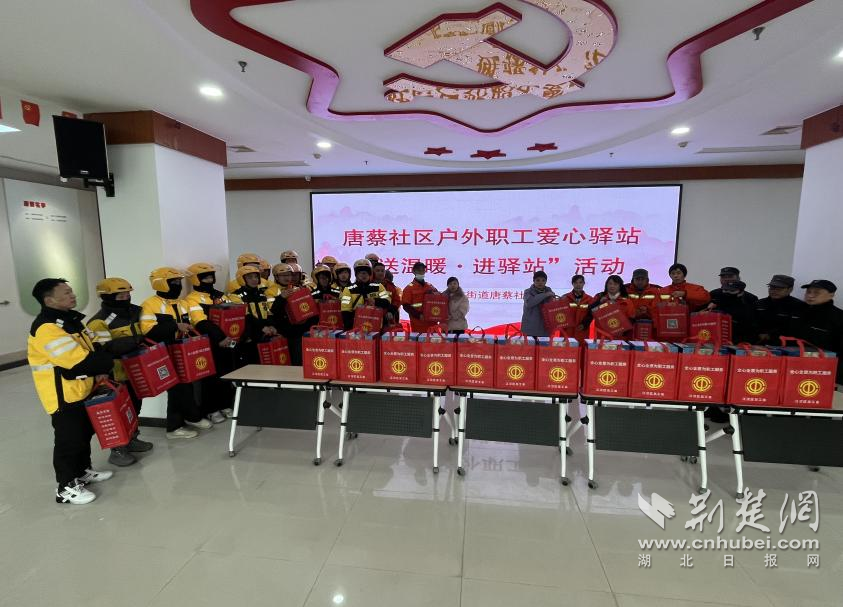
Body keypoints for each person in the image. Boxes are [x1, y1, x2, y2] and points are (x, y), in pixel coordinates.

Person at [28, 278, 116, 504]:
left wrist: (100, 365)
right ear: (49, 300)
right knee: (69, 440)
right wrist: (104, 364)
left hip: (82, 388)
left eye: (71, 291)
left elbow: (96, 346)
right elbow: (77, 362)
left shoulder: (72, 320)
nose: (72, 295)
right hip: (62, 395)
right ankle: (65, 487)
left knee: (84, 433)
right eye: (66, 293)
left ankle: (82, 471)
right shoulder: (47, 328)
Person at [87, 277, 154, 467]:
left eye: (127, 294)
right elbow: (109, 348)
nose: (126, 298)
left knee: (135, 407)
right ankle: (118, 450)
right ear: (107, 297)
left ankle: (132, 438)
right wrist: (137, 340)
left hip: (135, 369)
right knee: (119, 411)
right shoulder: (98, 322)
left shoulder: (135, 312)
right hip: (115, 374)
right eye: (120, 295)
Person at [141, 268, 214, 439]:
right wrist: (175, 326)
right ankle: (174, 427)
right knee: (175, 388)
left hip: (182, 350)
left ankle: (190, 418)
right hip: (164, 352)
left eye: (178, 282)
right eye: (173, 282)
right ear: (161, 284)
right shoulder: (149, 305)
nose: (178, 285)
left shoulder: (182, 303)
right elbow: (148, 331)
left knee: (186, 385)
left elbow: (191, 322)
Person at [183, 263, 237, 424]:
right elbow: (200, 322)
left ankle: (226, 404)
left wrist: (234, 334)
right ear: (196, 279)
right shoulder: (192, 299)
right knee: (210, 379)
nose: (210, 280)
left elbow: (233, 314)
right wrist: (220, 338)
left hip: (228, 340)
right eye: (205, 277)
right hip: (210, 343)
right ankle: (211, 409)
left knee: (227, 373)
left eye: (211, 276)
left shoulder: (220, 295)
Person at [794, 280, 843, 383]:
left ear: (831, 295)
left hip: (822, 369)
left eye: (816, 292)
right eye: (808, 292)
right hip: (794, 365)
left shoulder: (838, 317)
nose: (810, 295)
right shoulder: (797, 311)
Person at [228, 265, 278, 363]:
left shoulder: (262, 294)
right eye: (250, 277)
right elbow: (246, 316)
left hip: (264, 335)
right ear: (242, 279)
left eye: (256, 277)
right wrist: (262, 327)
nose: (254, 279)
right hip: (247, 337)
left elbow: (268, 312)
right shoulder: (235, 296)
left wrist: (272, 326)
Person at [270, 262, 315, 365]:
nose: (287, 277)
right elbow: (272, 312)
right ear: (276, 277)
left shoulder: (298, 289)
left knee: (301, 361)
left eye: (289, 274)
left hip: (300, 331)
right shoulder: (270, 292)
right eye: (283, 275)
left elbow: (306, 309)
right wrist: (281, 298)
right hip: (283, 332)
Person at [340, 259, 392, 330]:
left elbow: (387, 302)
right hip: (356, 327)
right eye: (361, 273)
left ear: (370, 274)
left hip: (376, 325)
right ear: (356, 274)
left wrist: (375, 301)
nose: (363, 275)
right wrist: (351, 329)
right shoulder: (348, 289)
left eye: (366, 272)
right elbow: (345, 311)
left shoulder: (379, 287)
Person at [755, 274, 807, 345]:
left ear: (790, 289)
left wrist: (772, 336)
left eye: (780, 288)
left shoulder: (799, 306)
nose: (774, 291)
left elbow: (796, 330)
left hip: (786, 346)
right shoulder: (758, 303)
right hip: (757, 345)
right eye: (772, 287)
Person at [401, 261, 441, 333]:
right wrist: (419, 315)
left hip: (432, 324)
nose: (421, 272)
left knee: (433, 340)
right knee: (420, 340)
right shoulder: (409, 288)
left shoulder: (430, 286)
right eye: (419, 270)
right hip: (418, 324)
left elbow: (439, 300)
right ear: (413, 271)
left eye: (423, 270)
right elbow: (406, 306)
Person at [521, 271, 556, 338]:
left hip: (545, 328)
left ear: (546, 281)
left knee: (544, 345)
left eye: (543, 280)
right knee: (530, 345)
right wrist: (545, 295)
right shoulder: (528, 291)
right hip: (530, 328)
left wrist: (555, 301)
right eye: (538, 280)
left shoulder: (549, 291)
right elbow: (530, 303)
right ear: (533, 281)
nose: (540, 282)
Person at [559, 274, 593, 341]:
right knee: (567, 347)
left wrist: (584, 324)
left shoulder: (589, 299)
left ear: (583, 283)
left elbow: (591, 315)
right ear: (572, 284)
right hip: (567, 331)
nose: (578, 285)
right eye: (576, 283)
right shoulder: (565, 298)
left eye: (580, 282)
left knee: (581, 347)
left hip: (582, 331)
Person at [372, 261, 401, 326]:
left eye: (382, 271)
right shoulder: (368, 284)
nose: (380, 273)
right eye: (377, 271)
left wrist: (391, 311)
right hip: (371, 317)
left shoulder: (390, 286)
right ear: (373, 272)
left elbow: (397, 301)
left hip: (387, 319)